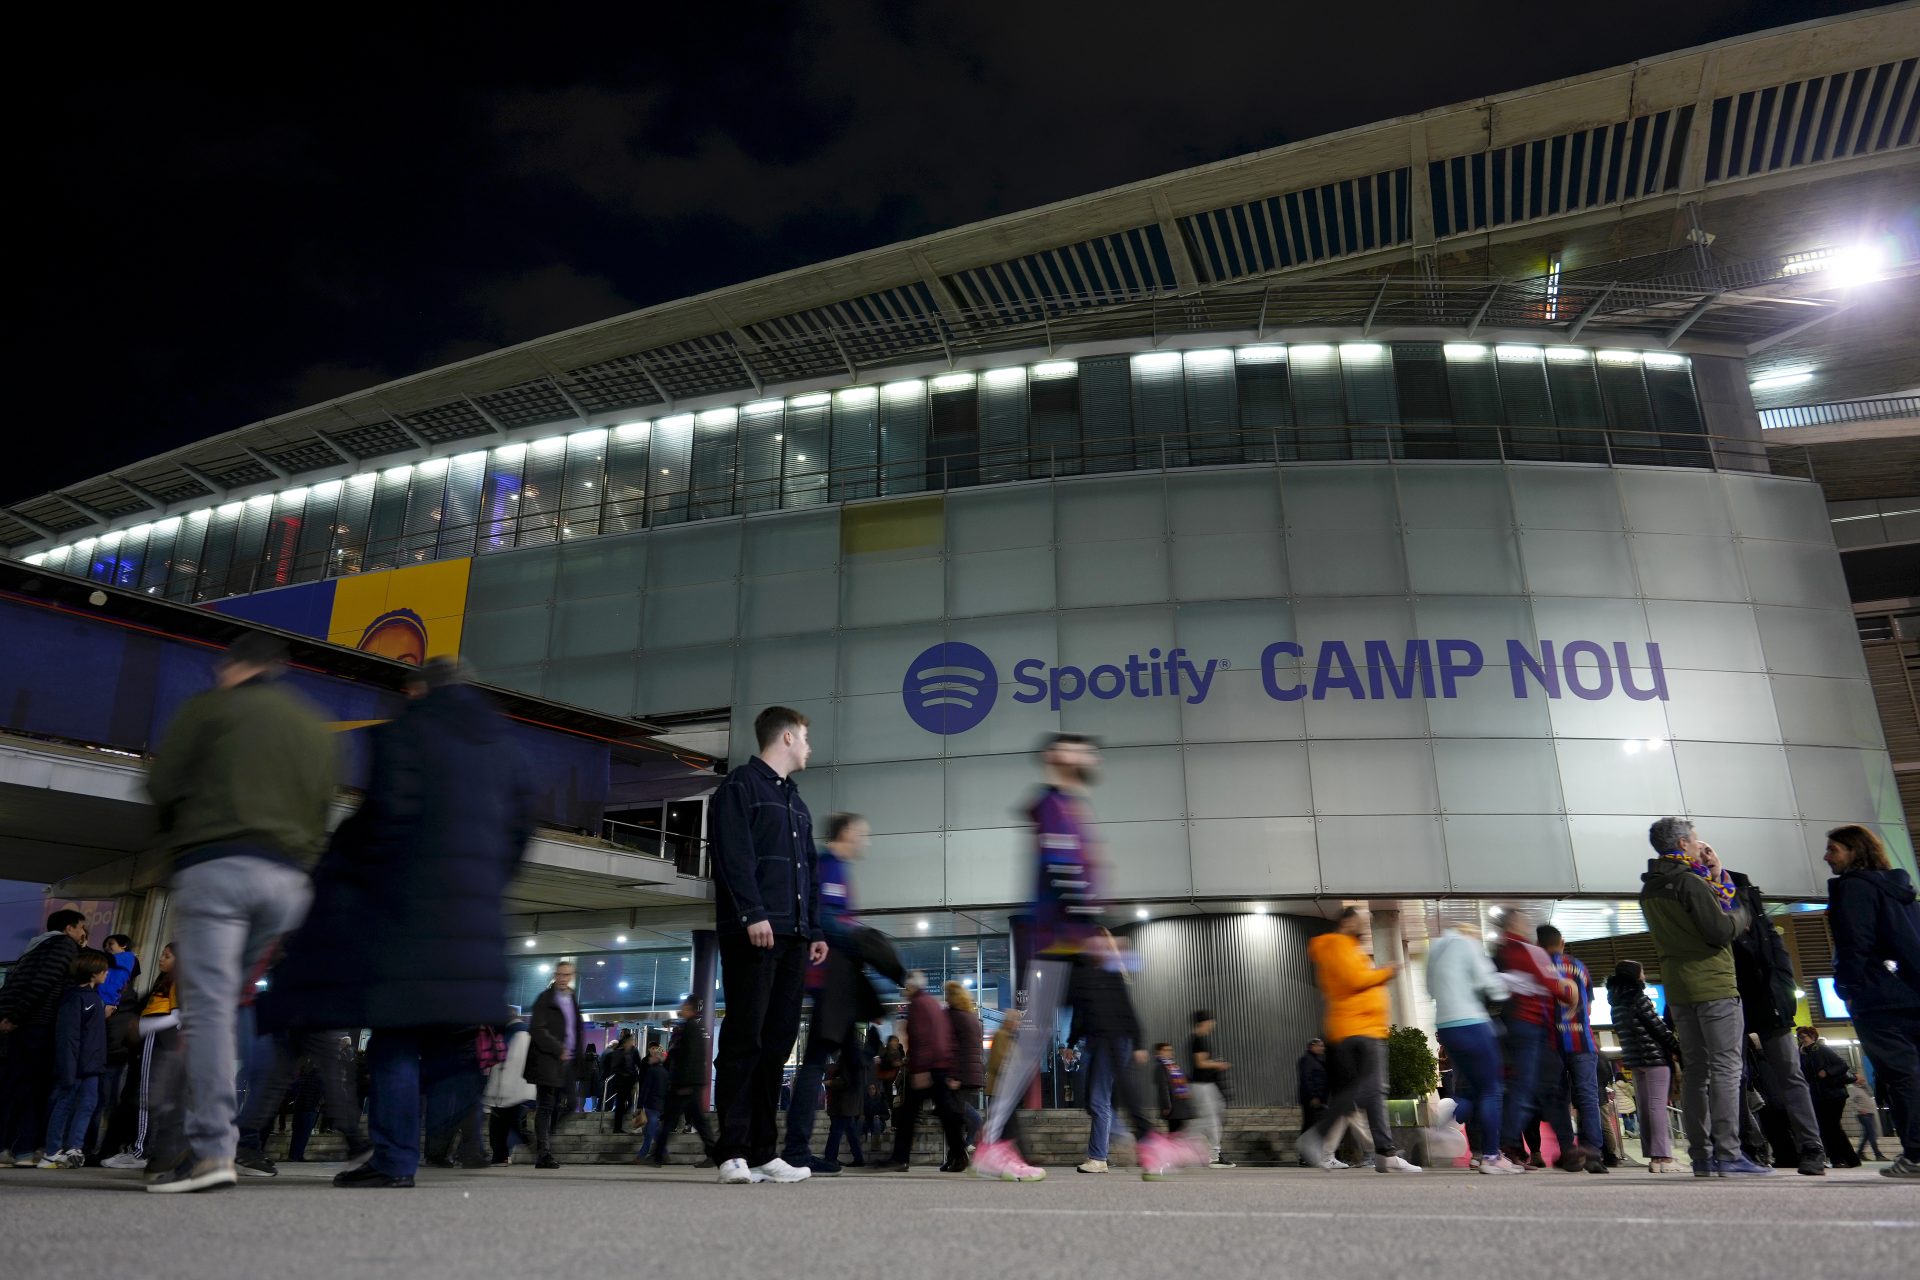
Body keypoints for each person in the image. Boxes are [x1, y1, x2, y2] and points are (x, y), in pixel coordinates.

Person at [256, 656, 532, 1188]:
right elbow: (521, 828)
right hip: (471, 907)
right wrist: (486, 882)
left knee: (395, 1035)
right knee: (445, 1030)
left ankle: (395, 1158)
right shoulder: (508, 746)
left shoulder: (405, 733)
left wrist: (355, 876)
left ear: (417, 689)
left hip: (405, 907)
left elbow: (388, 819)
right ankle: (438, 1114)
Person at [144, 632, 337, 1194]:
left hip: (218, 868)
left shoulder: (211, 706)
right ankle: (182, 1137)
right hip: (286, 882)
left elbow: (162, 784)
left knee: (207, 1012)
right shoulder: (313, 726)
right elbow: (322, 809)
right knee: (228, 1003)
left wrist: (177, 846)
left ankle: (211, 1152)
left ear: (232, 666)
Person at [975, 733, 1198, 1183]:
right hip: (1059, 944)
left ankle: (1150, 1141)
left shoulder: (1072, 807)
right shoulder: (1055, 807)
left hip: (1070, 943)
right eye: (1079, 747)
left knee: (1102, 1029)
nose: (1091, 754)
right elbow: (1062, 872)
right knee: (1035, 1046)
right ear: (1056, 756)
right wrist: (1090, 932)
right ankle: (992, 1142)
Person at [709, 705, 825, 1185]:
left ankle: (763, 1151)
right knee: (745, 1039)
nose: (810, 748)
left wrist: (814, 930)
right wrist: (751, 912)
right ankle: (731, 1151)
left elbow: (809, 873)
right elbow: (731, 855)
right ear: (787, 738)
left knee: (777, 1044)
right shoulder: (739, 788)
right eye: (805, 738)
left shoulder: (796, 803)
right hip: (755, 933)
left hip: (794, 937)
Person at [1639, 817, 1773, 1177]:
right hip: (1713, 985)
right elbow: (1717, 930)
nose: (1700, 845)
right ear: (1683, 843)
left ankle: (1701, 1155)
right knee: (1728, 1068)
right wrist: (1742, 912)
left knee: (1696, 1072)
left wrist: (1712, 870)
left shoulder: (1652, 887)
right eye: (1695, 840)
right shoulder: (1689, 882)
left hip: (1679, 989)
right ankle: (1729, 1153)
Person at [1704, 846, 1829, 1176]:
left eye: (1709, 852)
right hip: (1726, 992)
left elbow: (1773, 944)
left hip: (1766, 995)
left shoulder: (1743, 890)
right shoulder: (1696, 892)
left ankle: (1812, 1147)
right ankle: (1743, 1147)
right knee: (1733, 1075)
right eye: (1698, 853)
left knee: (1790, 1073)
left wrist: (1784, 990)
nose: (1706, 857)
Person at [781, 812, 893, 1175]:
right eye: (863, 834)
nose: (867, 841)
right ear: (845, 833)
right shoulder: (828, 866)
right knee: (815, 1064)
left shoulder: (837, 867)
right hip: (828, 982)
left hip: (838, 984)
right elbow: (827, 920)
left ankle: (799, 1149)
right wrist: (863, 940)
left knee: (847, 1060)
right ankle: (796, 1150)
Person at [1822, 823, 1920, 1179]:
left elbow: (1855, 943)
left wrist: (1848, 987)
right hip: (1912, 989)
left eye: (1833, 849)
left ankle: (1916, 1155)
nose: (1826, 856)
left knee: (1902, 1076)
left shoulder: (1854, 888)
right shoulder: (1899, 888)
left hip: (1879, 998)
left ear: (1854, 851)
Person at [1297, 908, 1420, 1174]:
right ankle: (1322, 1137)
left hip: (1359, 1029)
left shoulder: (1346, 948)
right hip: (1358, 1030)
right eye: (1359, 921)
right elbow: (1353, 980)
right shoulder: (1337, 945)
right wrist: (1385, 973)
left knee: (1367, 1092)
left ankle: (1385, 1153)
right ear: (1347, 921)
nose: (1363, 926)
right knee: (1365, 1091)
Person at [1424, 921, 1522, 1174]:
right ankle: (1491, 1156)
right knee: (1492, 1089)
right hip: (1472, 1023)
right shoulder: (1468, 945)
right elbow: (1491, 986)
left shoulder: (1434, 950)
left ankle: (1442, 1123)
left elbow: (1429, 989)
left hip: (1446, 1026)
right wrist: (1507, 985)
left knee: (1472, 1088)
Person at [0, 909, 89, 1166]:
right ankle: (24, 1150)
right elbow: (44, 982)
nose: (83, 933)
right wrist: (17, 1016)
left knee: (14, 1087)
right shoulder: (63, 946)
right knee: (32, 1089)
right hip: (37, 1025)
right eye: (81, 927)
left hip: (20, 1025)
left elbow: (18, 984)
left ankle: (7, 1147)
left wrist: (10, 1016)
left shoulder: (35, 947)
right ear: (69, 928)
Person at [1491, 912, 1575, 1167]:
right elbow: (1552, 984)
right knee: (1538, 1087)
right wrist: (1569, 994)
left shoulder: (1498, 954)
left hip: (1512, 1027)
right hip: (1532, 1027)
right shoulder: (1523, 950)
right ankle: (1512, 1144)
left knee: (1525, 1087)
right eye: (1520, 920)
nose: (1524, 924)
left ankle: (1517, 1147)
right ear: (1513, 924)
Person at [101, 942, 179, 1170]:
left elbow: (179, 1015)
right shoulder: (168, 981)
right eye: (162, 954)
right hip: (162, 1038)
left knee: (147, 1095)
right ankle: (148, 1150)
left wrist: (143, 1028)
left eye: (167, 956)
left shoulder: (177, 981)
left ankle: (141, 1151)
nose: (161, 959)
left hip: (159, 1037)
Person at [1535, 924, 1605, 1173]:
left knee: (1558, 1099)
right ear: (1562, 942)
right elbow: (1587, 1009)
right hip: (1582, 1042)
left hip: (1552, 1044)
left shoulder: (1538, 969)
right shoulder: (1580, 967)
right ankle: (1594, 1153)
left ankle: (1569, 1152)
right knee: (1587, 1097)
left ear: (1538, 945)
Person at [886, 972, 968, 1172]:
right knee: (943, 1114)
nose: (904, 991)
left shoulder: (918, 1005)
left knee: (909, 1114)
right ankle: (959, 1154)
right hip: (938, 1066)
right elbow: (945, 1037)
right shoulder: (932, 1003)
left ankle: (900, 1158)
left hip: (927, 1068)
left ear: (912, 987)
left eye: (906, 987)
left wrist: (920, 1069)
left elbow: (921, 1037)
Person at [1605, 960, 1682, 1171]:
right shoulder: (1638, 998)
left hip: (1635, 1060)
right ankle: (1664, 1157)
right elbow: (1658, 1028)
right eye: (1642, 972)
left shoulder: (1616, 1003)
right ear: (1634, 976)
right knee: (1657, 1106)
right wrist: (1678, 1048)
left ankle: (1653, 1157)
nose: (1644, 976)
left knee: (1646, 1108)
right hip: (1654, 1059)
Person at [38, 948, 112, 1168]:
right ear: (92, 973)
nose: (106, 974)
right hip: (76, 1066)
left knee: (87, 1105)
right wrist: (67, 1071)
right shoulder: (75, 999)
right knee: (65, 1103)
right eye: (103, 970)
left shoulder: (93, 998)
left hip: (92, 1066)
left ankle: (74, 1147)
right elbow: (68, 1038)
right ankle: (51, 1151)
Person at [649, 998, 718, 1167]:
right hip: (689, 1082)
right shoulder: (691, 1027)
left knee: (673, 1119)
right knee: (696, 1120)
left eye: (685, 1006)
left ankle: (658, 1155)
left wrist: (685, 1083)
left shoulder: (691, 1028)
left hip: (686, 1084)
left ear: (690, 1008)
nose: (682, 1009)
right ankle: (712, 1153)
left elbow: (691, 1057)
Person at [525, 962, 579, 1170]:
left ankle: (544, 1138)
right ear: (555, 975)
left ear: (572, 976)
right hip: (548, 1059)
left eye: (567, 975)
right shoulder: (545, 998)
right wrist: (559, 1049)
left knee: (571, 1102)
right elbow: (537, 1029)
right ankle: (543, 1152)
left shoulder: (571, 998)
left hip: (567, 1061)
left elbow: (575, 1031)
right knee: (546, 1105)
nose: (563, 978)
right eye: (560, 974)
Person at [1794, 1027, 1860, 1168]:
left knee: (1832, 1126)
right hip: (1818, 1096)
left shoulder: (1821, 1049)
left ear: (1813, 1037)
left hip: (1833, 1094)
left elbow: (1842, 1064)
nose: (1801, 1039)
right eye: (1799, 1037)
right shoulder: (1802, 1054)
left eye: (1804, 1036)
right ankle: (1838, 1159)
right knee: (1826, 1127)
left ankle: (1849, 1159)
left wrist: (1827, 1072)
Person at [485, 1009, 536, 1165]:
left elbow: (504, 1062)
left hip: (507, 1089)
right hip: (520, 1088)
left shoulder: (511, 1034)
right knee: (506, 1122)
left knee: (499, 1123)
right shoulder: (525, 1033)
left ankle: (502, 1154)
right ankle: (503, 1153)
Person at [1188, 1009, 1234, 1169]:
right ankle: (1214, 1155)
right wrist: (1218, 1064)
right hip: (1203, 1085)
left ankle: (1212, 1153)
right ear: (1204, 1022)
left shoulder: (1200, 1039)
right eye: (1211, 1021)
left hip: (1206, 1085)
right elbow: (1200, 1063)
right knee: (1211, 1120)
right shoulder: (1198, 1039)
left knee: (1211, 1118)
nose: (1213, 1024)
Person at [945, 981, 985, 1152]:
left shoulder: (953, 1016)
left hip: (957, 1074)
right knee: (958, 1114)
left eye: (947, 994)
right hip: (969, 1074)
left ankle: (961, 1150)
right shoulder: (971, 1016)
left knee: (955, 1116)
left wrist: (952, 1076)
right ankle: (962, 1149)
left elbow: (953, 1047)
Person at [823, 1041, 868, 1167]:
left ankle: (830, 1158)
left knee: (836, 1131)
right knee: (850, 1131)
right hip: (849, 1104)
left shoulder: (847, 1061)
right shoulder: (857, 1061)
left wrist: (830, 1083)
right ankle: (858, 1159)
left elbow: (845, 1081)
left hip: (843, 1104)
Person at [1296, 1038, 1329, 1159]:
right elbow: (1307, 1079)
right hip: (1312, 1099)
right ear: (1312, 1046)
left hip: (1318, 1099)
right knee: (1310, 1126)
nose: (1322, 1048)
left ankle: (1308, 1155)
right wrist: (1313, 1096)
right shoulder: (1308, 1060)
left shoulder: (1317, 1060)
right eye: (1320, 1046)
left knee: (1312, 1125)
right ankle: (1305, 1155)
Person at [633, 1044, 668, 1157]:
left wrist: (639, 1105)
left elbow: (645, 1089)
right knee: (653, 1130)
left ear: (656, 1058)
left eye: (652, 1057)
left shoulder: (652, 1071)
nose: (650, 1058)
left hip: (651, 1104)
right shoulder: (665, 1072)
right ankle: (662, 1151)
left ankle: (643, 1155)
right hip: (659, 1104)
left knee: (650, 1131)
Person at [605, 1031, 639, 1134]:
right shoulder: (618, 1052)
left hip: (630, 1082)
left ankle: (618, 1120)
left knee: (629, 1104)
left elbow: (638, 1063)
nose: (632, 1043)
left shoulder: (634, 1051)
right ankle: (617, 1127)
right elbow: (614, 1067)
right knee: (620, 1104)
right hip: (620, 1082)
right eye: (630, 1041)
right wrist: (624, 1073)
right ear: (625, 1042)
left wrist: (636, 1078)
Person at [1847, 1078, 1887, 1162]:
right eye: (1859, 1077)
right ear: (1854, 1079)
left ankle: (1859, 1153)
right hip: (1862, 1114)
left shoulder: (1863, 1088)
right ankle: (1878, 1155)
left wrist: (1865, 1084)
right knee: (1872, 1133)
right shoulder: (1852, 1089)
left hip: (1870, 1113)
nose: (1862, 1078)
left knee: (1867, 1134)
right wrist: (1859, 1109)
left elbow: (1871, 1094)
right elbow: (1850, 1102)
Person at [99, 935, 139, 1013]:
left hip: (108, 1000)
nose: (107, 947)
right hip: (101, 998)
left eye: (110, 944)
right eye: (105, 946)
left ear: (123, 945)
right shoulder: (110, 961)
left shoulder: (128, 956)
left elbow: (109, 958)